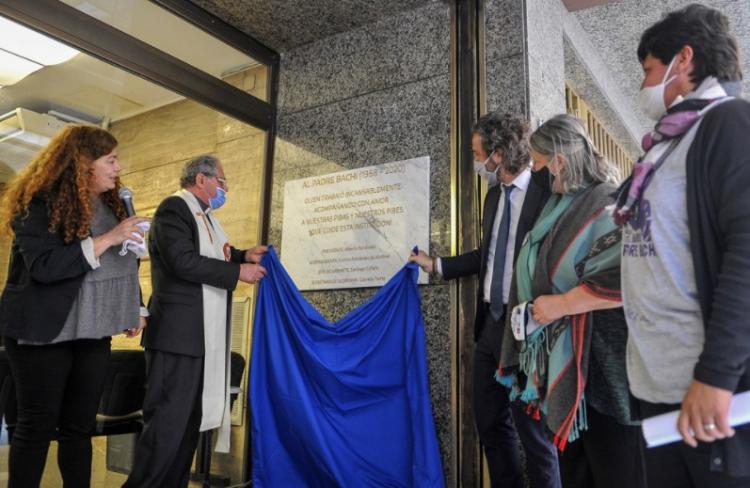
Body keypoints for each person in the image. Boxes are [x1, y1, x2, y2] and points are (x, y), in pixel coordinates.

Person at [617, 4, 750, 486]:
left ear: (684, 58)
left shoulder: (729, 123)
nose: (642, 86)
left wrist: (716, 375)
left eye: (649, 70)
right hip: (659, 384)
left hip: (713, 392)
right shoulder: (666, 144)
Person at [497, 114, 645, 488]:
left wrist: (558, 306)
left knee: (617, 471)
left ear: (559, 162)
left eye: (539, 164)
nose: (537, 172)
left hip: (606, 365)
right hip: (567, 363)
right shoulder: (558, 206)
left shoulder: (608, 203)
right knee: (578, 472)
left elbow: (626, 279)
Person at [410, 113, 556, 488]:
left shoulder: (546, 190)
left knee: (534, 434)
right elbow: (487, 254)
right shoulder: (494, 197)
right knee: (490, 423)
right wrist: (438, 264)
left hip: (527, 328)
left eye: (478, 154)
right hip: (490, 326)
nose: (476, 162)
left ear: (499, 153)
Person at [0, 124, 149, 487]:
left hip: (92, 331)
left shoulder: (114, 205)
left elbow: (125, 260)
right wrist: (108, 238)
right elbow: (46, 267)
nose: (118, 167)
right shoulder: (35, 202)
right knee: (35, 427)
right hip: (42, 330)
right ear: (82, 163)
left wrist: (135, 307)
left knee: (78, 428)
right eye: (110, 159)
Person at [124, 155, 267, 488]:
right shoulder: (174, 209)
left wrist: (245, 256)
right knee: (165, 430)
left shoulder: (206, 218)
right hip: (177, 337)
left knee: (187, 429)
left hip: (201, 338)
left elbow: (215, 254)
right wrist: (238, 272)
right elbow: (183, 261)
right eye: (222, 180)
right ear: (201, 179)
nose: (224, 188)